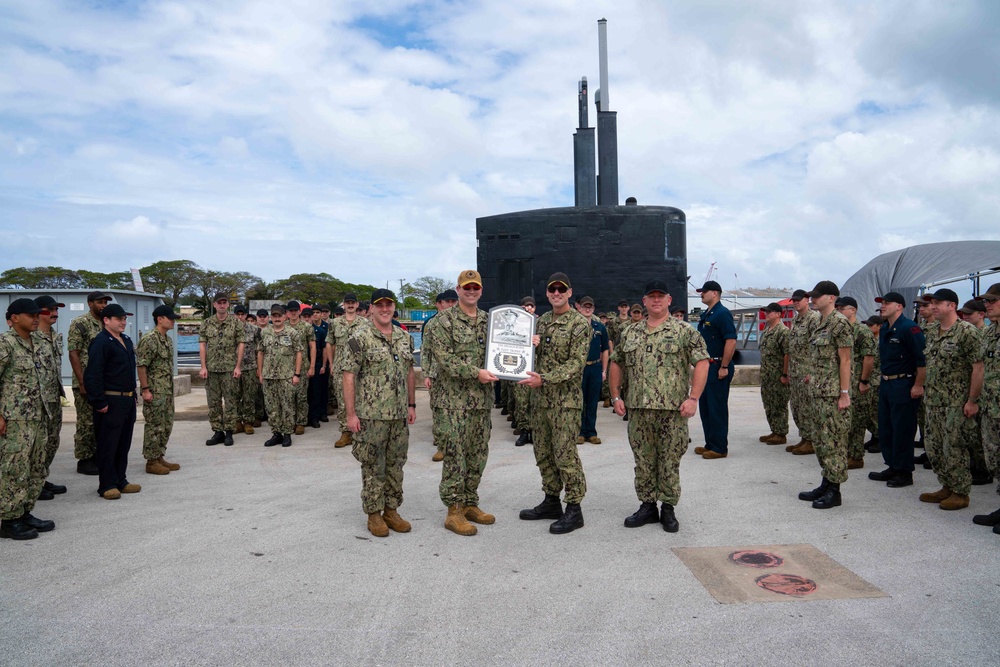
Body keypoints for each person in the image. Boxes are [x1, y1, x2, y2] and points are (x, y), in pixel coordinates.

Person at [609, 280, 709, 532]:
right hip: (639, 409)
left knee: (669, 459)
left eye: (660, 296)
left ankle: (668, 507)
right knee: (643, 459)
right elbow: (616, 362)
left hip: (672, 410)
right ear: (644, 301)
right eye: (650, 296)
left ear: (668, 300)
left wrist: (694, 398)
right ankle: (647, 505)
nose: (655, 300)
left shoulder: (684, 331)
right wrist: (616, 396)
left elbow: (703, 362)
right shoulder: (630, 332)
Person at [425, 270, 498, 536]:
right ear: (457, 289)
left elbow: (505, 349)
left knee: (477, 455)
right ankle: (453, 511)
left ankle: (470, 502)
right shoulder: (441, 323)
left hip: (481, 402)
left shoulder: (491, 322)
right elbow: (445, 360)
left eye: (475, 287)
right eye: (466, 287)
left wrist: (527, 344)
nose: (471, 291)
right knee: (455, 456)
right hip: (452, 403)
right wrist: (476, 373)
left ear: (481, 290)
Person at [517, 272, 591, 534]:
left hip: (565, 403)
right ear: (547, 294)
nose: (557, 293)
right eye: (552, 290)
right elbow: (526, 354)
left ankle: (574, 508)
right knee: (544, 454)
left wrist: (545, 379)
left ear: (569, 292)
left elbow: (575, 364)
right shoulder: (541, 322)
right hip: (540, 402)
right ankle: (551, 501)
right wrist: (529, 345)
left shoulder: (580, 324)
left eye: (562, 289)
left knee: (565, 455)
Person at [343, 289, 416, 538]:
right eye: (380, 305)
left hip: (398, 415)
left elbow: (408, 372)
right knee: (374, 466)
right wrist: (351, 415)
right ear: (371, 309)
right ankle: (373, 514)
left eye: (389, 304)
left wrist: (411, 405)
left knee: (396, 464)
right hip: (371, 416)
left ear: (394, 307)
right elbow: (348, 377)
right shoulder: (358, 337)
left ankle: (391, 510)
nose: (385, 309)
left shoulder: (404, 337)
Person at [917, 288, 983, 511]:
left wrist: (972, 400)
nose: (933, 306)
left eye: (938, 303)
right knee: (934, 447)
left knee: (953, 447)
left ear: (952, 306)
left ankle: (961, 492)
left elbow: (978, 368)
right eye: (931, 303)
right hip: (934, 400)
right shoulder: (932, 330)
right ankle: (946, 485)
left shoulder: (967, 332)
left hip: (956, 402)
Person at [0, 298, 54, 540]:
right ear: (13, 318)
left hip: (38, 416)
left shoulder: (38, 343)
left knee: (36, 466)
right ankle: (9, 520)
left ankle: (24, 512)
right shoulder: (5, 344)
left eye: (37, 314)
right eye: (30, 314)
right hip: (15, 421)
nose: (36, 318)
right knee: (14, 469)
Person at [796, 281, 853, 509]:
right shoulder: (819, 322)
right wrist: (812, 375)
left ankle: (835, 491)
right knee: (821, 441)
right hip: (818, 391)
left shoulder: (839, 323)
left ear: (832, 298)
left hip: (832, 394)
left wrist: (844, 393)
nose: (813, 299)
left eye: (818, 296)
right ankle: (826, 482)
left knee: (834, 442)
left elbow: (845, 360)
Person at [868, 292, 925, 488]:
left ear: (899, 306)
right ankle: (892, 465)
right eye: (881, 303)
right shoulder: (885, 329)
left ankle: (904, 472)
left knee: (902, 429)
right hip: (886, 383)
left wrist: (918, 385)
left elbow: (922, 360)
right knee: (886, 428)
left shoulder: (910, 328)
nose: (882, 306)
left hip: (904, 384)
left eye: (887, 303)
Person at [85, 303, 140, 500]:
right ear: (106, 320)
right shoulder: (101, 342)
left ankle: (120, 480)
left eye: (124, 319)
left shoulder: (124, 339)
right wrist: (99, 401)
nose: (123, 322)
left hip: (127, 399)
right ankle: (107, 484)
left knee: (123, 442)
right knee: (108, 443)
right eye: (119, 319)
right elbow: (93, 374)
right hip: (111, 399)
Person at [68, 290, 112, 475]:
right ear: (90, 303)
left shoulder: (106, 323)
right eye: (99, 302)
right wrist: (82, 381)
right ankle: (84, 459)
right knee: (86, 422)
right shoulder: (80, 323)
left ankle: (97, 456)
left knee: (102, 422)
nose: (103, 306)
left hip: (104, 382)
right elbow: (74, 352)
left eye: (105, 303)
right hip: (86, 381)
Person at [136, 305, 181, 475]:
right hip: (154, 390)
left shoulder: (167, 340)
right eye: (170, 318)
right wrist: (145, 389)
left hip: (166, 390)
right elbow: (142, 366)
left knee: (166, 424)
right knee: (154, 425)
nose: (173, 321)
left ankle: (159, 456)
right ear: (159, 319)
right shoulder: (149, 339)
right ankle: (151, 461)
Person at [696, 280, 736, 459]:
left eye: (704, 291)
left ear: (715, 293)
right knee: (705, 407)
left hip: (718, 366)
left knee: (716, 407)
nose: (701, 294)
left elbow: (731, 340)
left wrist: (724, 366)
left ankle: (720, 448)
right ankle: (710, 444)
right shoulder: (708, 314)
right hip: (707, 366)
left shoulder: (722, 314)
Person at [836, 296, 878, 470]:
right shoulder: (840, 329)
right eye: (837, 308)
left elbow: (869, 357)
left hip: (857, 382)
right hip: (844, 382)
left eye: (842, 308)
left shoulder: (862, 331)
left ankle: (856, 456)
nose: (839, 311)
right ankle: (847, 452)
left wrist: (864, 380)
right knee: (845, 421)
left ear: (852, 310)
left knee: (858, 421)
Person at [199, 293, 245, 447]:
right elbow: (202, 345)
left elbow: (241, 345)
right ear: (214, 305)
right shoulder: (206, 323)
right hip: (212, 369)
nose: (222, 305)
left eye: (225, 303)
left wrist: (238, 366)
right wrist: (203, 366)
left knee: (231, 401)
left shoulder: (236, 323)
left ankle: (229, 432)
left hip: (229, 369)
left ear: (228, 305)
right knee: (213, 402)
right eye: (219, 303)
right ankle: (217, 431)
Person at [33, 295, 67, 499]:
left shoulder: (55, 336)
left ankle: (41, 479)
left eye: (56, 310)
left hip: (54, 397)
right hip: (37, 401)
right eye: (49, 310)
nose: (54, 313)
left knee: (52, 441)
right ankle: (33, 484)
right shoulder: (30, 337)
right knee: (38, 444)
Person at [972, 284, 1000, 531]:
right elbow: (980, 368)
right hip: (992, 407)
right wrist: (974, 399)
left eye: (992, 300)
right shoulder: (990, 333)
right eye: (985, 301)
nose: (987, 305)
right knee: (995, 459)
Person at [256, 305, 303, 448]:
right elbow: (260, 352)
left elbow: (299, 353)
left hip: (286, 376)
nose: (277, 318)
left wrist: (296, 374)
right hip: (269, 376)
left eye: (279, 316)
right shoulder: (265, 333)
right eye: (274, 316)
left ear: (285, 317)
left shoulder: (292, 333)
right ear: (271, 317)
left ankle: (287, 434)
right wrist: (260, 372)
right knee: (271, 406)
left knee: (287, 406)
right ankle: (276, 433)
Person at [421, 289, 458, 462]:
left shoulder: (463, 321)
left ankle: (456, 442)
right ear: (441, 303)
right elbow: (425, 350)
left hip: (457, 374)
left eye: (453, 301)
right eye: (448, 301)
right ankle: (442, 445)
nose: (451, 304)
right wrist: (427, 374)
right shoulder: (431, 324)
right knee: (439, 409)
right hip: (437, 373)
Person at [330, 293, 368, 448]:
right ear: (343, 305)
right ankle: (345, 432)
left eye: (353, 303)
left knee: (361, 399)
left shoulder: (365, 323)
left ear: (357, 305)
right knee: (342, 400)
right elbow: (330, 344)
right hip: (341, 368)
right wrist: (331, 363)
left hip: (360, 369)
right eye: (348, 303)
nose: (350, 305)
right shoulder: (334, 323)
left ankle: (361, 432)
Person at [787, 289, 819, 454]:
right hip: (795, 371)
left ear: (807, 300)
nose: (796, 303)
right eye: (794, 300)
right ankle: (804, 438)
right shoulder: (796, 319)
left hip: (806, 371)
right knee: (797, 406)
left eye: (799, 300)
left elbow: (816, 347)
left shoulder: (814, 319)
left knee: (807, 407)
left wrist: (812, 371)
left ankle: (811, 440)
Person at [575, 296, 609, 445]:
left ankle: (591, 432)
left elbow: (606, 350)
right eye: (585, 306)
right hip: (580, 368)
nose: (587, 309)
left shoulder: (600, 327)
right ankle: (581, 432)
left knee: (593, 400)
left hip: (595, 366)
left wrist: (604, 370)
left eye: (590, 307)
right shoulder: (575, 326)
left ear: (593, 309)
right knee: (580, 400)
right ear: (579, 308)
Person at [757, 302, 790, 445]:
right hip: (767, 375)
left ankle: (781, 433)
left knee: (779, 404)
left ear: (778, 314)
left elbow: (787, 354)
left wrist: (784, 374)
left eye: (769, 312)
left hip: (777, 375)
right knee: (769, 403)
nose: (766, 314)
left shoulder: (783, 331)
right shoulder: (767, 330)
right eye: (766, 311)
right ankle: (774, 430)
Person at [283, 302, 315, 435]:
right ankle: (289, 421)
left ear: (299, 312)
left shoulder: (307, 327)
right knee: (287, 397)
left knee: (301, 396)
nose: (293, 313)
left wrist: (312, 366)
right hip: (285, 367)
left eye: (296, 310)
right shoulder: (282, 326)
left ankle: (301, 422)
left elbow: (312, 347)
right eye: (291, 310)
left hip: (302, 367)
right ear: (287, 313)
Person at [233, 305, 261, 435]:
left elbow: (259, 349)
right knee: (234, 395)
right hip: (233, 367)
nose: (240, 317)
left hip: (250, 367)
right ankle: (237, 421)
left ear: (246, 315)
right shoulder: (230, 330)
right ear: (234, 315)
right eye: (237, 314)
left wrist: (259, 368)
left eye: (242, 314)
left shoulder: (255, 330)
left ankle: (248, 421)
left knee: (249, 395)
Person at [513, 296, 537, 447]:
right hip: (520, 368)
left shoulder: (540, 323)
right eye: (525, 306)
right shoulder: (514, 324)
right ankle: (524, 431)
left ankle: (534, 431)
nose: (528, 308)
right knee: (521, 402)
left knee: (534, 402)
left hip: (535, 369)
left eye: (531, 306)